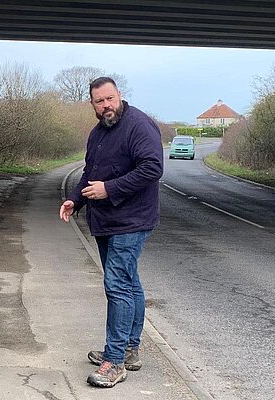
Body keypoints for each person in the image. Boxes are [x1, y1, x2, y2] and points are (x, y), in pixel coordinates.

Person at [59, 77, 163, 388]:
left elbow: (152, 168)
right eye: (99, 102)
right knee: (128, 282)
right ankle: (129, 350)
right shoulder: (97, 134)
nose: (106, 106)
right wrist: (74, 200)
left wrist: (111, 189)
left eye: (110, 99)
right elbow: (90, 174)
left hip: (132, 220)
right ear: (92, 105)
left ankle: (115, 361)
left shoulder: (139, 125)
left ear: (119, 96)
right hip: (106, 221)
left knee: (117, 284)